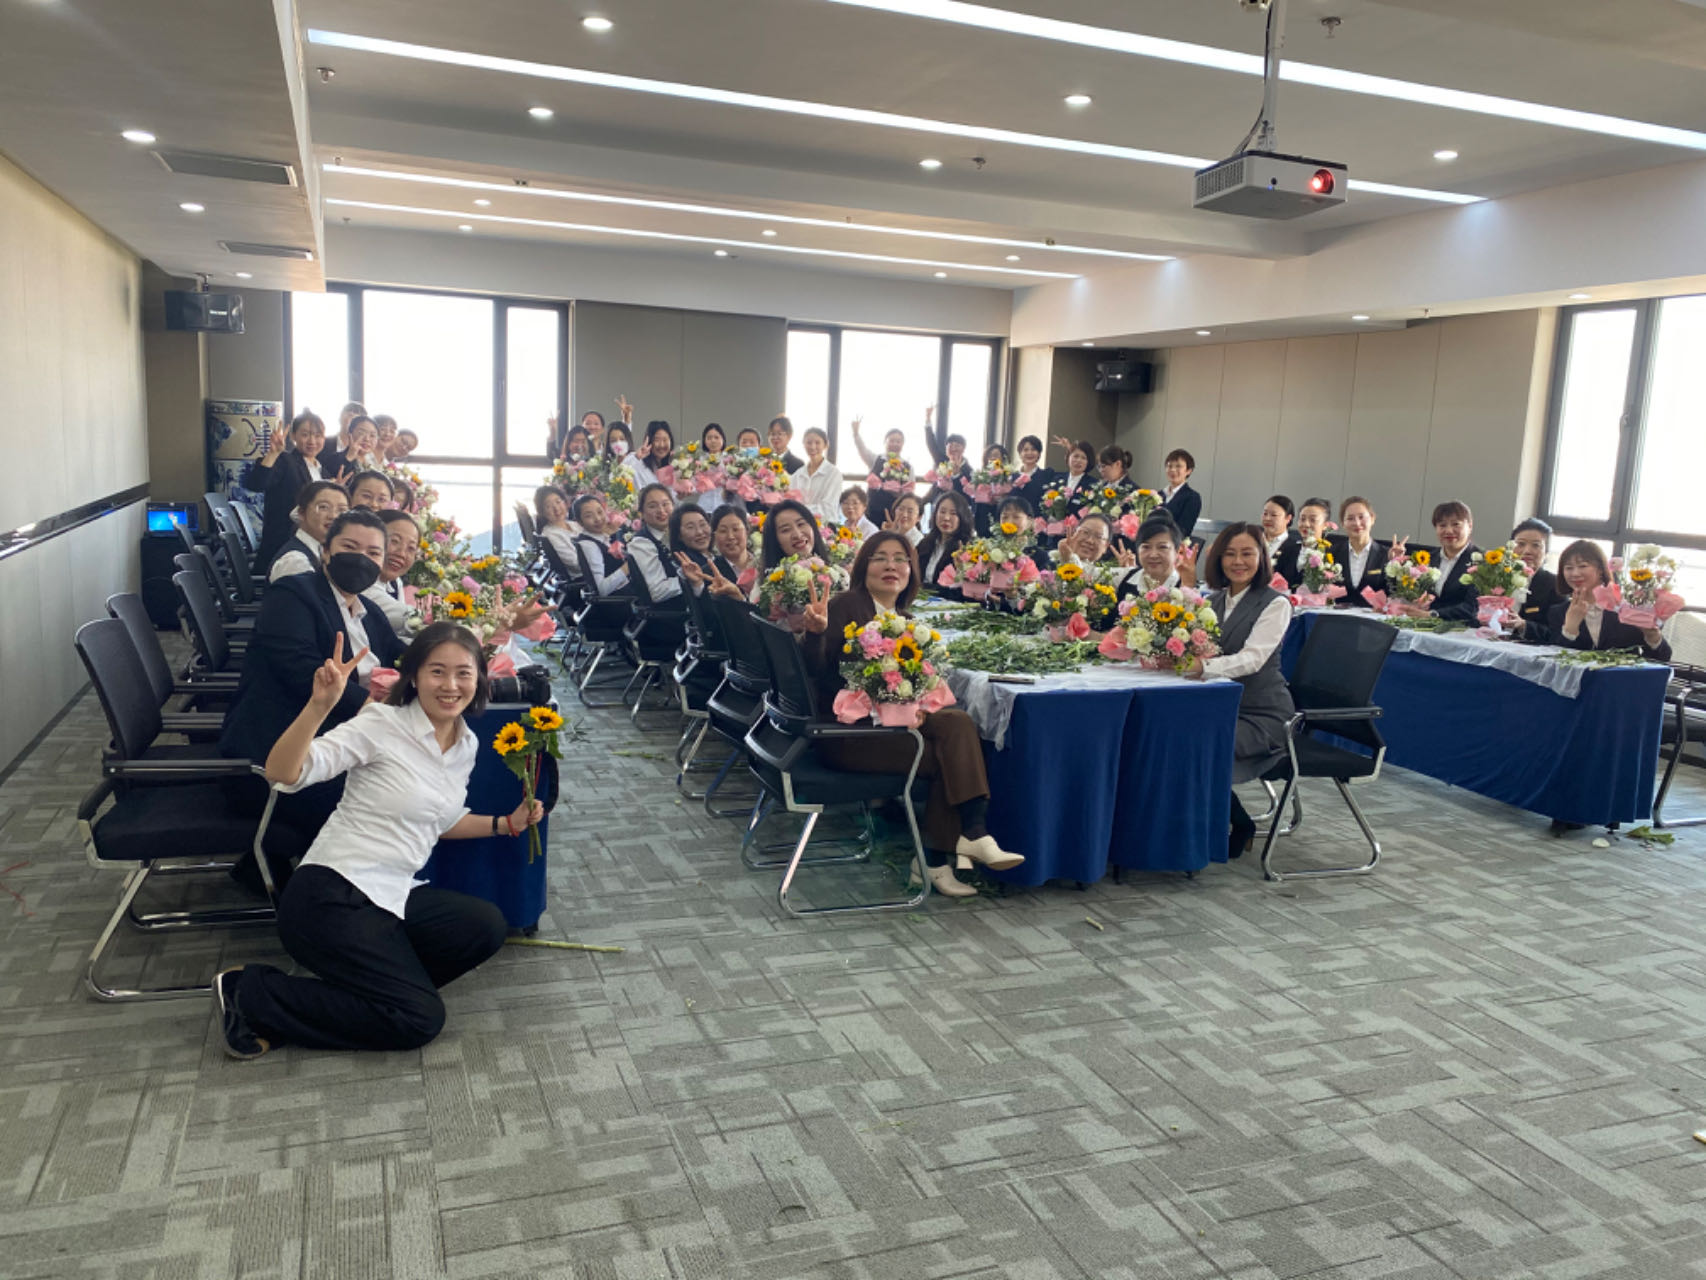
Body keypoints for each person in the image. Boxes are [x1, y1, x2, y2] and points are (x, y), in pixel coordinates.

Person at [211, 624, 537, 1059]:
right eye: (437, 672)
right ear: (414, 676)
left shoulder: (465, 744)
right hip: (330, 895)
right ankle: (251, 991)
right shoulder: (381, 724)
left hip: (390, 894)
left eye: (463, 673)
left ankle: (374, 995)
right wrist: (318, 707)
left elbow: (439, 820)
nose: (450, 685)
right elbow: (283, 773)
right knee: (420, 1020)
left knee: (484, 925)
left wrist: (506, 823)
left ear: (479, 679)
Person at [802, 532, 1024, 896]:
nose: (891, 565)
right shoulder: (845, 606)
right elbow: (815, 669)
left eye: (900, 558)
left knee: (957, 722)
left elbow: (913, 684)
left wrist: (918, 707)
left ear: (911, 570)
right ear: (864, 566)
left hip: (889, 727)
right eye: (880, 557)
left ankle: (967, 837)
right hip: (848, 735)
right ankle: (943, 854)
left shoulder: (904, 620)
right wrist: (814, 634)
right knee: (945, 758)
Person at [220, 509, 406, 887]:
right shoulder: (293, 595)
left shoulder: (367, 610)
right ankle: (336, 891)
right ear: (325, 551)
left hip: (338, 737)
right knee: (392, 791)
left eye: (373, 553)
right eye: (349, 547)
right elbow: (301, 670)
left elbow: (401, 654)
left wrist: (455, 662)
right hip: (280, 752)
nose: (361, 559)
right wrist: (371, 708)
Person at [1187, 523, 1294, 861]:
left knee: (1198, 745)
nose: (1238, 561)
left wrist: (1202, 667)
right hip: (1220, 708)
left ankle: (1231, 823)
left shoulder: (1275, 604)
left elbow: (1253, 659)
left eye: (1247, 553)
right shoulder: (1214, 601)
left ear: (1262, 558)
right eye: (1230, 554)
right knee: (1173, 735)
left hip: (1262, 714)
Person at [1547, 540, 1672, 661]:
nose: (1575, 573)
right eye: (1569, 568)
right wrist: (1569, 629)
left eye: (1582, 566)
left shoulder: (1627, 608)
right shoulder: (1557, 612)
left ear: (1600, 569)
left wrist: (1653, 636)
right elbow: (1551, 661)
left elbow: (1662, 658)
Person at [251, 411, 329, 568]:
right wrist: (273, 454)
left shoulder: (322, 471)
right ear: (293, 436)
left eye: (318, 435)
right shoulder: (286, 460)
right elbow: (257, 484)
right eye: (305, 435)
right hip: (284, 548)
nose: (312, 441)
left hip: (314, 546)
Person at [1413, 501, 1480, 622]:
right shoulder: (1428, 559)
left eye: (1456, 524)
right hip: (1423, 626)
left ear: (1470, 526)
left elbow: (1472, 607)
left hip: (1462, 628)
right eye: (1442, 525)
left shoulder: (1482, 562)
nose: (1448, 530)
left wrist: (1432, 615)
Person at [269, 481, 349, 583]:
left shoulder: (324, 550)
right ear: (301, 513)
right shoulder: (295, 562)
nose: (333, 516)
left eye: (342, 510)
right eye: (323, 507)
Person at [363, 510, 422, 635]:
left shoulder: (395, 583)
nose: (401, 553)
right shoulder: (360, 581)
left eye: (411, 548)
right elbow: (406, 618)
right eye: (394, 541)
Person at [1326, 496, 1389, 608]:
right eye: (1350, 518)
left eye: (1361, 517)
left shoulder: (1386, 555)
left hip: (1373, 617)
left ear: (1372, 519)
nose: (1357, 523)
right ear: (1343, 523)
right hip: (1337, 616)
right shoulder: (1331, 553)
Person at [1121, 511, 1198, 598]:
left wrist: (1188, 587)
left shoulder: (1185, 585)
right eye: (1146, 547)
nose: (1153, 555)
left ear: (1177, 551)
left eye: (1162, 547)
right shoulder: (1123, 579)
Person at [628, 483, 683, 602]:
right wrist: (693, 579)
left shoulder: (679, 532)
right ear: (641, 513)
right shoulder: (641, 543)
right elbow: (658, 591)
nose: (661, 510)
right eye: (652, 506)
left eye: (665, 504)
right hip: (673, 609)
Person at [850, 419, 910, 526]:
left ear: (903, 444)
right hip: (872, 509)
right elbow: (863, 450)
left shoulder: (907, 466)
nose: (895, 444)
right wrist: (856, 434)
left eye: (898, 441)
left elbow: (909, 492)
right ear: (885, 442)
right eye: (891, 441)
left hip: (894, 513)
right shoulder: (876, 459)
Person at [1510, 518, 1559, 640]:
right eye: (1521, 544)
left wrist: (1524, 626)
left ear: (1546, 552)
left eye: (1536, 545)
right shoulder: (1495, 577)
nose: (1527, 551)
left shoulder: (1555, 585)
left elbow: (1557, 632)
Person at [571, 495, 630, 596]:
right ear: (580, 522)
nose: (598, 519)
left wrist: (612, 535)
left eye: (600, 512)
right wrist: (628, 566)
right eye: (589, 516)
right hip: (622, 598)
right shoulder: (589, 546)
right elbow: (602, 589)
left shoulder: (599, 536)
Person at [915, 489, 974, 590]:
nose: (946, 518)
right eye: (942, 512)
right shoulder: (925, 542)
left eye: (953, 513)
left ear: (962, 517)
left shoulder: (967, 547)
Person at [792, 427, 843, 525]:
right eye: (809, 443)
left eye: (817, 443)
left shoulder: (833, 473)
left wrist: (798, 509)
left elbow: (828, 508)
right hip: (800, 525)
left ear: (826, 445)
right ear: (804, 445)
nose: (812, 447)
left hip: (826, 525)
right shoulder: (797, 474)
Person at [707, 504, 758, 594]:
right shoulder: (710, 573)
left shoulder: (764, 562)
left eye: (735, 529)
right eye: (723, 531)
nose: (730, 536)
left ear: (747, 531)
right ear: (714, 536)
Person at [534, 484, 582, 577]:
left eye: (558, 502)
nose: (556, 508)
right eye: (548, 506)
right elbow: (576, 563)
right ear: (542, 512)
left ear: (565, 502)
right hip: (586, 578)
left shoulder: (574, 525)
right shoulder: (550, 534)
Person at [1261, 495, 1302, 586]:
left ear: (1288, 518)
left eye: (1274, 515)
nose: (1267, 518)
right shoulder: (1252, 540)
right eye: (1265, 514)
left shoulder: (1294, 548)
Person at [1049, 437, 1098, 516]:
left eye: (1083, 458)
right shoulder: (1056, 479)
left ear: (1088, 462)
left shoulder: (1093, 484)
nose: (1078, 460)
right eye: (1076, 456)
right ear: (1068, 457)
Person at [1160, 448, 1202, 539]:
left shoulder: (1192, 497)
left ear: (1188, 470)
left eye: (1178, 466)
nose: (1173, 470)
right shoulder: (1158, 495)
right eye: (1169, 466)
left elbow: (1183, 530)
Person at [327, 415, 382, 482]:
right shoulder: (334, 458)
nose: (367, 439)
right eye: (361, 433)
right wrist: (349, 457)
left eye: (372, 435)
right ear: (349, 433)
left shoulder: (374, 463)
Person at [625, 422, 675, 490]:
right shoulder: (638, 462)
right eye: (657, 440)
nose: (661, 445)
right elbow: (621, 471)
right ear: (649, 441)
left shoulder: (675, 465)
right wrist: (636, 457)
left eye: (665, 439)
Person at [667, 503, 715, 574]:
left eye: (702, 524)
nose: (699, 532)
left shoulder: (720, 557)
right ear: (679, 535)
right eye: (690, 527)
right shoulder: (683, 568)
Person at [1011, 435, 1053, 510]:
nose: (1029, 453)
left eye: (1033, 449)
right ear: (1020, 454)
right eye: (1025, 450)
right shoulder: (1011, 477)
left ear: (1039, 453)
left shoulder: (1047, 474)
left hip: (1038, 516)